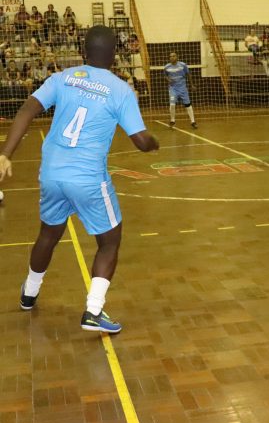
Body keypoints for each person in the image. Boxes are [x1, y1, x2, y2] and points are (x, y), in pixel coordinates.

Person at [0, 25, 159, 333]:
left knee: (48, 234)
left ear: (83, 52)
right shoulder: (120, 89)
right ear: (114, 55)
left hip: (51, 174)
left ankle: (30, 293)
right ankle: (94, 311)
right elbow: (140, 140)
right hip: (87, 179)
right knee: (110, 241)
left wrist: (5, 154)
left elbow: (26, 110)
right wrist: (154, 143)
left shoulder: (62, 78)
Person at [164, 52, 197, 129]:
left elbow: (188, 74)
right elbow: (165, 75)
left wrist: (192, 85)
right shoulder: (167, 67)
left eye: (173, 56)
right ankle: (172, 121)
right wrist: (168, 79)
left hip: (183, 88)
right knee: (172, 104)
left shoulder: (183, 65)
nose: (172, 57)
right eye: (170, 56)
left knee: (188, 105)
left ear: (177, 57)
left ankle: (193, 122)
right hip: (173, 89)